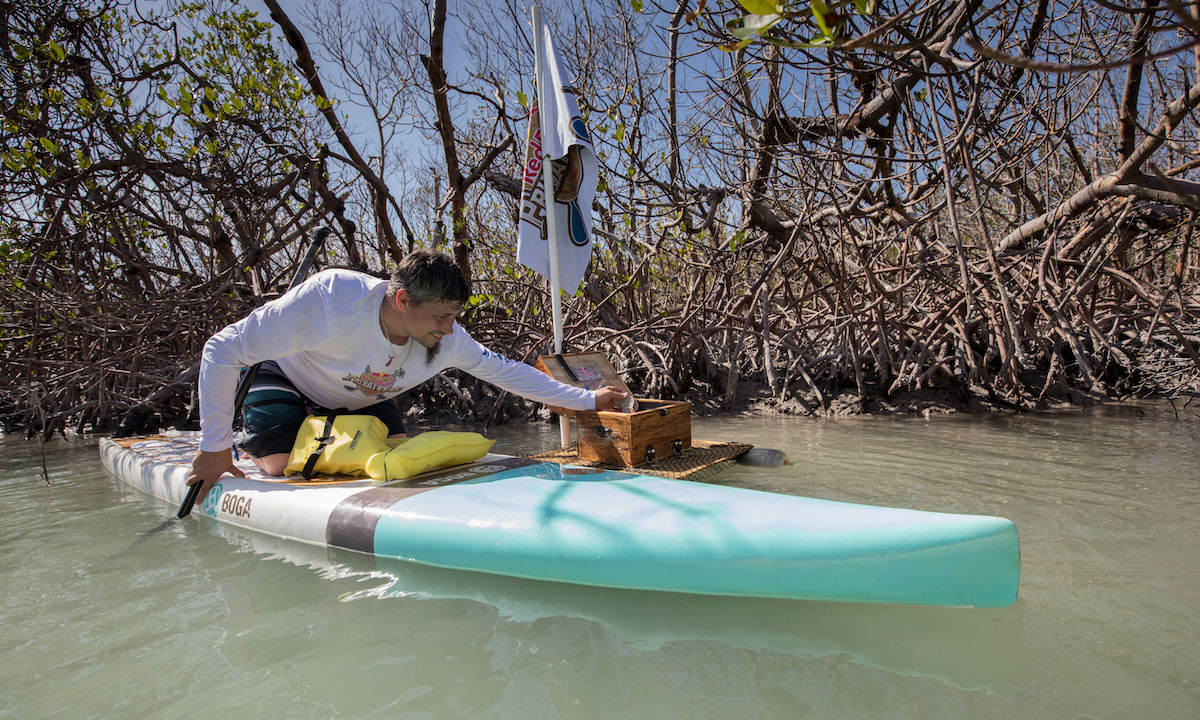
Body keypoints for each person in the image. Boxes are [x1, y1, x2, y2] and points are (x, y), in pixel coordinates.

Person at [187, 249, 628, 501]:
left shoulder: (447, 338)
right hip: (289, 376)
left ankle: (326, 436)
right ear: (401, 301)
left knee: (397, 459)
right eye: (440, 316)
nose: (449, 329)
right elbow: (221, 349)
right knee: (281, 466)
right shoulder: (330, 300)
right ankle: (252, 444)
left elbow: (507, 372)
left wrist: (588, 400)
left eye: (455, 316)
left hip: (361, 394)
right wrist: (214, 448)